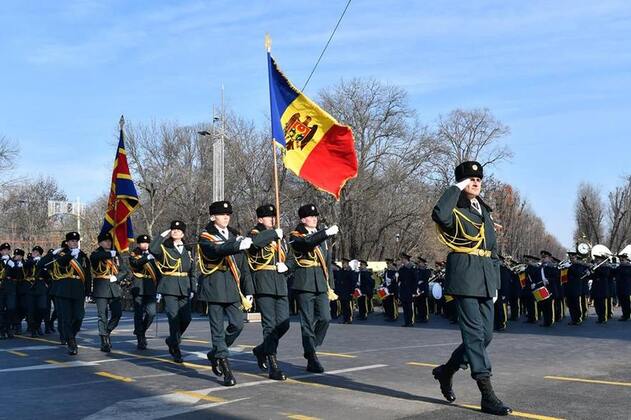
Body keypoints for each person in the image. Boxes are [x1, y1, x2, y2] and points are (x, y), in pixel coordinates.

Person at [431, 161, 511, 416]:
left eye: (478, 179)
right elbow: (439, 215)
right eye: (470, 179)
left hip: (485, 278)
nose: (475, 182)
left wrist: (495, 284)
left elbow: (493, 251)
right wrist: (456, 188)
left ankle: (446, 371)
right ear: (461, 182)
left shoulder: (483, 210)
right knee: (475, 336)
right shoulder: (455, 207)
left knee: (486, 336)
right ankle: (487, 395)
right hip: (465, 277)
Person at [196, 201, 254, 386]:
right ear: (213, 217)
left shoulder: (234, 235)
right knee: (217, 330)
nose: (226, 217)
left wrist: (248, 290)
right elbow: (216, 250)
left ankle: (215, 353)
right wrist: (237, 245)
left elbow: (243, 267)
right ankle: (226, 367)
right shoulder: (206, 236)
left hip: (232, 286)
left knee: (237, 324)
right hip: (214, 286)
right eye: (222, 214)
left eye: (228, 214)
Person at [288, 204, 338, 373]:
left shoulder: (322, 237)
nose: (315, 218)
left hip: (321, 283)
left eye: (316, 216)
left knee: (325, 318)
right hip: (305, 284)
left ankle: (311, 348)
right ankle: (311, 357)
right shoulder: (296, 235)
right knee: (307, 322)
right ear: (303, 219)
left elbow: (327, 263)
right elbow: (306, 243)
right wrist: (325, 233)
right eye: (311, 216)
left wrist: (330, 286)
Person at [247, 204, 290, 381]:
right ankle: (273, 365)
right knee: (269, 325)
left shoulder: (280, 237)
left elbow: (290, 255)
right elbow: (254, 245)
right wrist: (273, 234)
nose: (273, 219)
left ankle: (261, 350)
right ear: (260, 219)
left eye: (274, 216)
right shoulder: (255, 234)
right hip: (263, 282)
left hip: (280, 282)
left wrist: (287, 266)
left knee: (284, 324)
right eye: (269, 217)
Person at [150, 220, 195, 363]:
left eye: (178, 230)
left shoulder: (188, 249)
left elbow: (192, 270)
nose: (175, 232)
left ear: (183, 233)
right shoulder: (165, 248)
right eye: (173, 230)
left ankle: (172, 340)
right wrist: (162, 235)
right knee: (173, 318)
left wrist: (193, 288)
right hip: (169, 287)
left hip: (184, 287)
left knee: (186, 318)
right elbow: (152, 249)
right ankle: (176, 347)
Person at [50, 232, 91, 355]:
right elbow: (61, 264)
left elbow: (87, 274)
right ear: (67, 242)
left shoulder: (83, 255)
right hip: (64, 290)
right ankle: (71, 342)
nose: (74, 243)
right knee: (66, 318)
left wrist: (88, 291)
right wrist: (70, 255)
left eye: (76, 241)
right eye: (72, 241)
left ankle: (70, 335)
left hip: (78, 289)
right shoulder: (61, 253)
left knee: (79, 317)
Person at [90, 232, 127, 352]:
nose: (108, 243)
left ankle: (107, 331)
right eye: (105, 241)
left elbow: (124, 270)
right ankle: (104, 340)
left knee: (117, 313)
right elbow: (95, 258)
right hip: (101, 288)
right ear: (100, 243)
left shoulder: (115, 254)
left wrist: (117, 277)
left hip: (113, 287)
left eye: (110, 241)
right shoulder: (96, 254)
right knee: (102, 315)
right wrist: (109, 254)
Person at [129, 234, 158, 350]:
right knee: (138, 314)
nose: (145, 245)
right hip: (139, 286)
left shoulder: (154, 253)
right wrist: (146, 258)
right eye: (142, 243)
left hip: (151, 286)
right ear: (138, 244)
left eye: (147, 243)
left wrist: (159, 288)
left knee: (152, 313)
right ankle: (140, 338)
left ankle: (141, 331)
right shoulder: (134, 254)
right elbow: (135, 264)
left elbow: (158, 271)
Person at [25, 247, 48, 337]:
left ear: (40, 254)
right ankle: (33, 329)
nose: (34, 253)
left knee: (42, 308)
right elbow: (26, 266)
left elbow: (48, 275)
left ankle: (37, 325)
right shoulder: (29, 261)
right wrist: (34, 261)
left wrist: (42, 265)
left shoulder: (44, 262)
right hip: (31, 287)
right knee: (31, 310)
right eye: (33, 251)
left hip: (41, 286)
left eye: (36, 252)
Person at [614, 252, 631, 321]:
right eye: (620, 259)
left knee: (627, 302)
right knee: (623, 303)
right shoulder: (619, 268)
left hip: (628, 288)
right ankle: (625, 315)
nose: (621, 261)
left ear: (627, 259)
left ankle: (627, 315)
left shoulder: (629, 267)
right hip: (620, 288)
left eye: (623, 259)